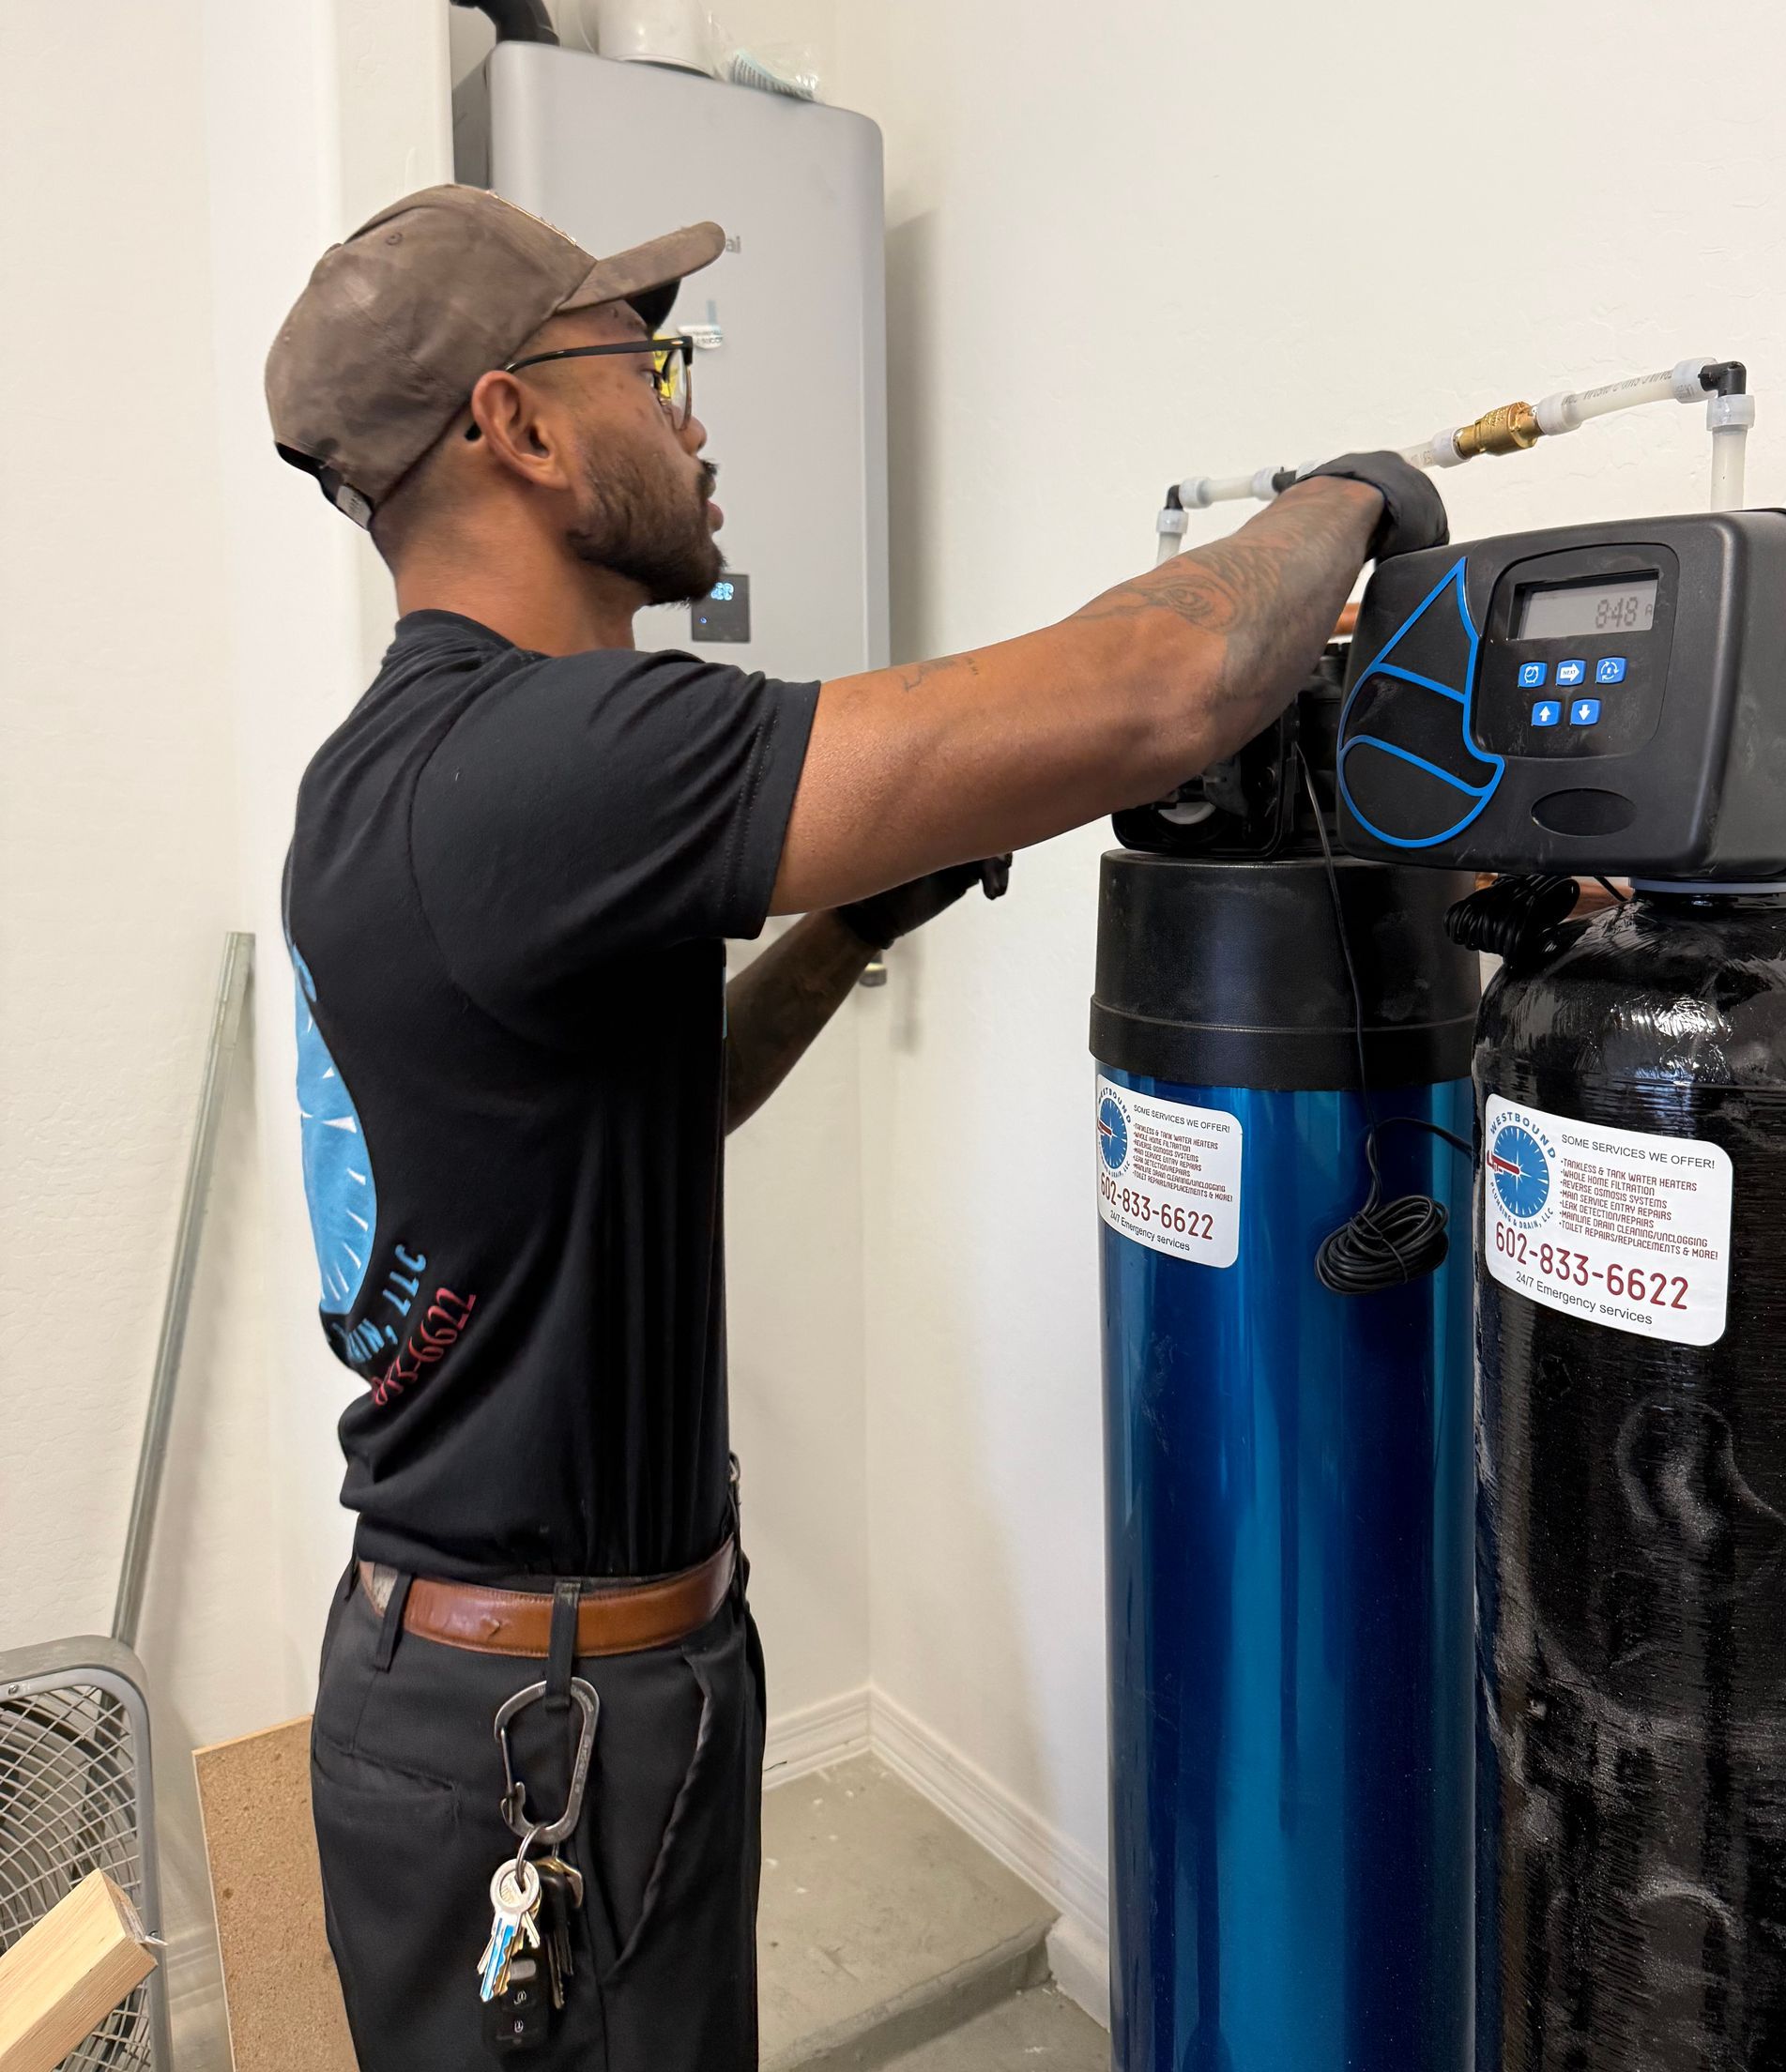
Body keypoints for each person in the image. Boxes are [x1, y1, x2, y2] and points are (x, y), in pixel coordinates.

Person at [267, 184, 1445, 2069]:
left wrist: (852, 925)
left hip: (547, 1679)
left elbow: (651, 1105)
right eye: (646, 361)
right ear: (520, 424)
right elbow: (1171, 678)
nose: (693, 409)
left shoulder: (405, 772)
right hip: (535, 1735)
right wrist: (1357, 494)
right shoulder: (552, 763)